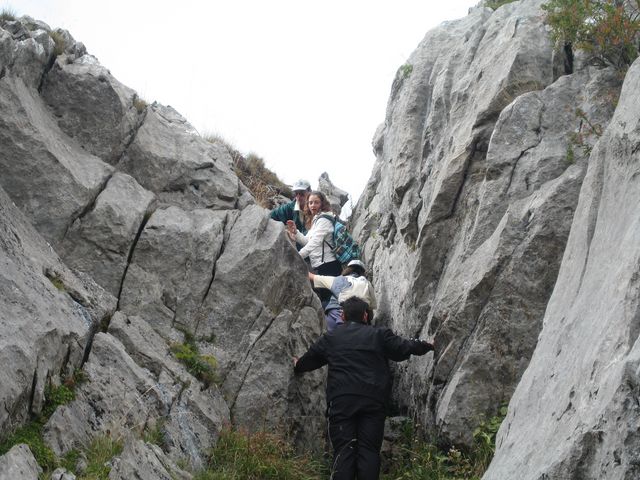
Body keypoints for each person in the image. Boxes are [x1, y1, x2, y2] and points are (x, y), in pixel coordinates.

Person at [294, 296, 434, 480]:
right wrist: (428, 345)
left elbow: (309, 360)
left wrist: (297, 365)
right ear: (366, 316)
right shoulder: (379, 335)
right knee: (369, 450)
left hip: (342, 401)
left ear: (342, 316)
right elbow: (403, 347)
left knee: (344, 450)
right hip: (373, 400)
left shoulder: (331, 338)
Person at [287, 190, 342, 306]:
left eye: (316, 202)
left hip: (329, 266)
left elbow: (315, 243)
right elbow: (308, 241)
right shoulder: (316, 220)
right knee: (327, 302)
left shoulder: (324, 220)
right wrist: (296, 232)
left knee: (331, 303)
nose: (313, 205)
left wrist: (298, 256)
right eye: (310, 203)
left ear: (322, 204)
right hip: (321, 266)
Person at [309, 259, 377, 332]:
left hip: (336, 314)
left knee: (324, 304)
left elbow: (312, 277)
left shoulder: (338, 280)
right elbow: (371, 310)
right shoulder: (367, 283)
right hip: (359, 318)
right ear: (363, 272)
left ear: (347, 269)